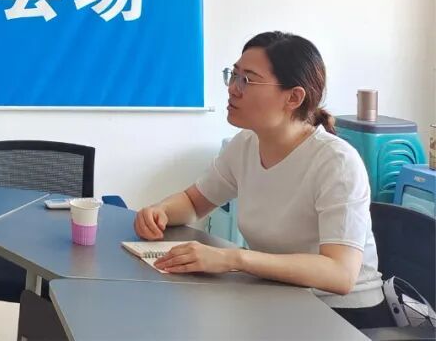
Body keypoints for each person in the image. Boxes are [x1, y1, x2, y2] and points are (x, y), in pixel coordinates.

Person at [133, 31, 390, 329]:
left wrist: (234, 259)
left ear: (293, 97)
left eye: (247, 80)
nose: (233, 89)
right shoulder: (245, 144)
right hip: (276, 296)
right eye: (233, 75)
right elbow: (193, 202)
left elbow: (339, 274)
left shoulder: (336, 162)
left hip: (341, 316)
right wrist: (161, 211)